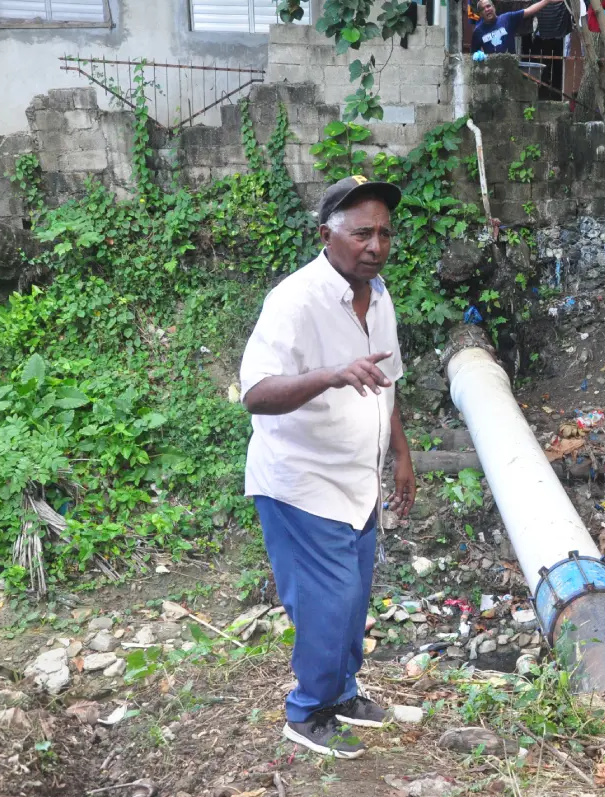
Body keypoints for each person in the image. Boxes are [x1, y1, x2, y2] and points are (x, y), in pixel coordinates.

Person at [239, 175, 417, 759]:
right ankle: (307, 711)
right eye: (362, 233)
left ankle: (342, 694)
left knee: (354, 595)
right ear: (326, 235)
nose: (376, 245)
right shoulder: (295, 299)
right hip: (301, 481)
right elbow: (257, 393)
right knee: (326, 600)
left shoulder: (381, 295)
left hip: (356, 479)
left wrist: (402, 454)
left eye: (385, 234)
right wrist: (331, 375)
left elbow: (386, 382)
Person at [472, 0, 565, 54]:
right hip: (491, 70)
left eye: (488, 6)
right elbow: (473, 54)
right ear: (480, 14)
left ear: (494, 7)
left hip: (510, 66)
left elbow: (528, 11)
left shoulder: (507, 18)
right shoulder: (478, 31)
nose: (487, 9)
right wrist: (478, 56)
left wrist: (546, 1)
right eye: (483, 9)